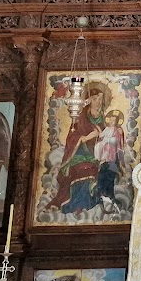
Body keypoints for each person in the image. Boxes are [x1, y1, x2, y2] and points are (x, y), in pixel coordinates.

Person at [51, 84, 108, 216]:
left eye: (100, 99)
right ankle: (76, 206)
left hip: (98, 153)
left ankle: (92, 204)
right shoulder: (80, 117)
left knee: (106, 169)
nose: (98, 102)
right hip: (80, 154)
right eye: (95, 99)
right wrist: (87, 137)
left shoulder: (104, 119)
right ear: (88, 101)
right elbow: (72, 137)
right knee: (84, 169)